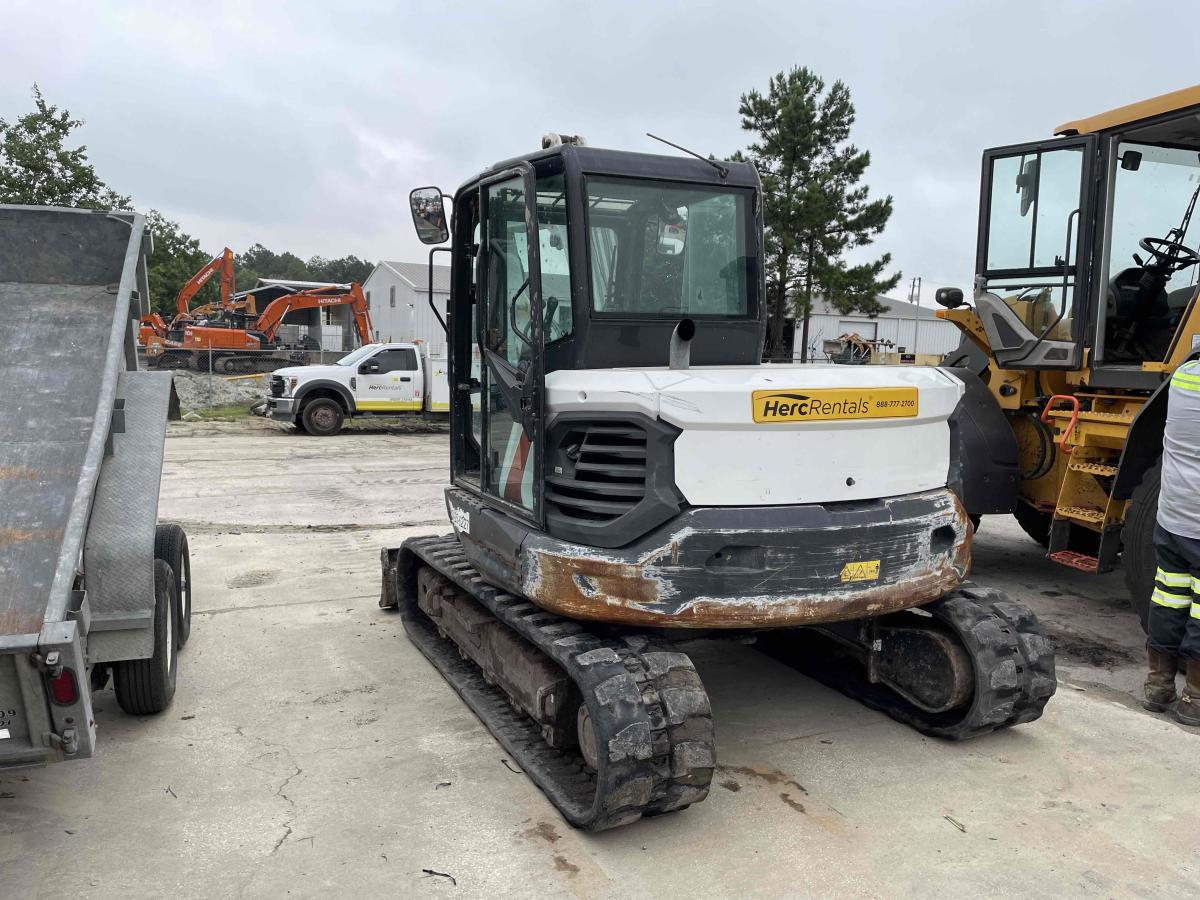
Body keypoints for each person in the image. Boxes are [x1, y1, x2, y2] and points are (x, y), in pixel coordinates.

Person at [1144, 357, 1200, 725]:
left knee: (1169, 596)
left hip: (1174, 518)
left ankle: (1158, 687)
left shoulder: (1183, 375)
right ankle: (1194, 700)